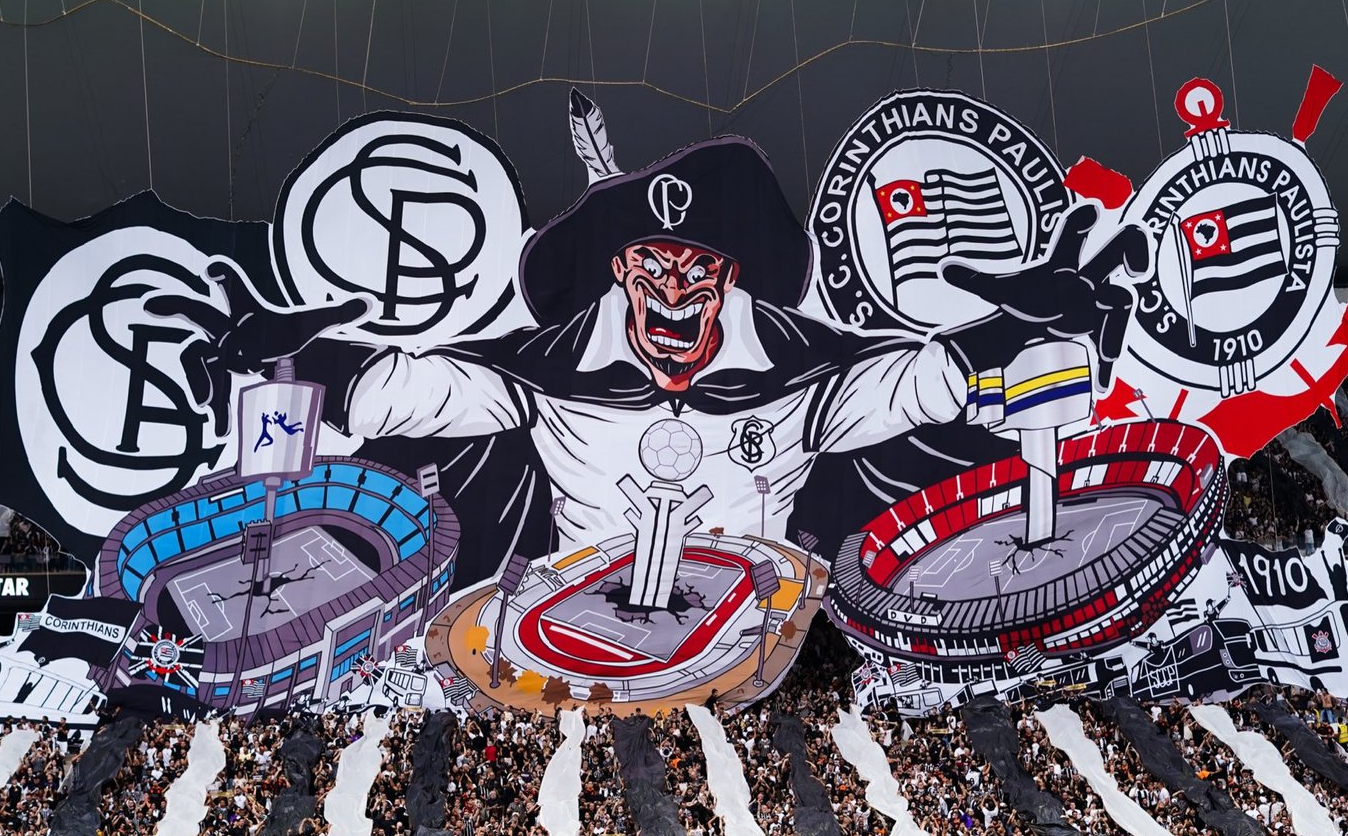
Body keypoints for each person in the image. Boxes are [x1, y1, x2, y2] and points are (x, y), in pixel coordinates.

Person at [153, 138, 1149, 581]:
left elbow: (921, 378)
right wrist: (301, 354)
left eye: (697, 265)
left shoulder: (805, 377)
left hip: (758, 646)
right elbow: (412, 388)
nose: (673, 290)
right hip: (584, 649)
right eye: (649, 263)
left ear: (730, 271)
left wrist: (1021, 330)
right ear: (619, 269)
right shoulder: (541, 376)